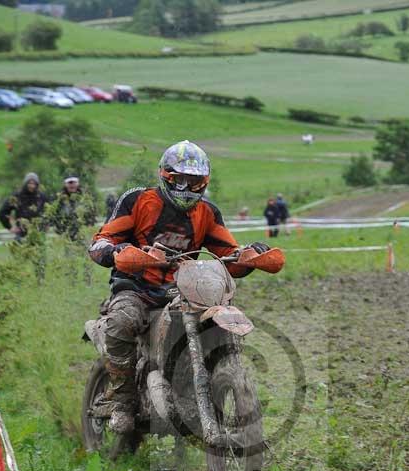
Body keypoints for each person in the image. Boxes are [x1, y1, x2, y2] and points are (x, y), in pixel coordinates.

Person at [88, 139, 272, 435]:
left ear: (204, 183)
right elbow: (101, 241)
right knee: (122, 322)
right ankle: (122, 401)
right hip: (136, 289)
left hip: (184, 292)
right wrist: (116, 252)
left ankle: (210, 386)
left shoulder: (207, 213)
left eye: (194, 182)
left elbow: (228, 255)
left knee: (217, 323)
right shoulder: (138, 201)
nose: (185, 188)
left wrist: (251, 256)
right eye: (179, 180)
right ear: (165, 176)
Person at [0, 172, 47, 240]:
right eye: (29, 183)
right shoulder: (17, 196)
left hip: (38, 234)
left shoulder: (41, 197)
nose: (32, 186)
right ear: (25, 183)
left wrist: (46, 224)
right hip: (21, 234)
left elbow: (49, 213)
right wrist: (9, 227)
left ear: (37, 184)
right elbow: (3, 212)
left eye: (34, 184)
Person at [51, 175, 96, 241]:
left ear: (78, 183)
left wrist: (89, 227)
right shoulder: (59, 198)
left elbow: (92, 213)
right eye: (69, 183)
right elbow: (54, 216)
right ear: (65, 184)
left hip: (82, 232)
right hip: (65, 233)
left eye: (74, 183)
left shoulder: (85, 197)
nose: (72, 185)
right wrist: (60, 231)